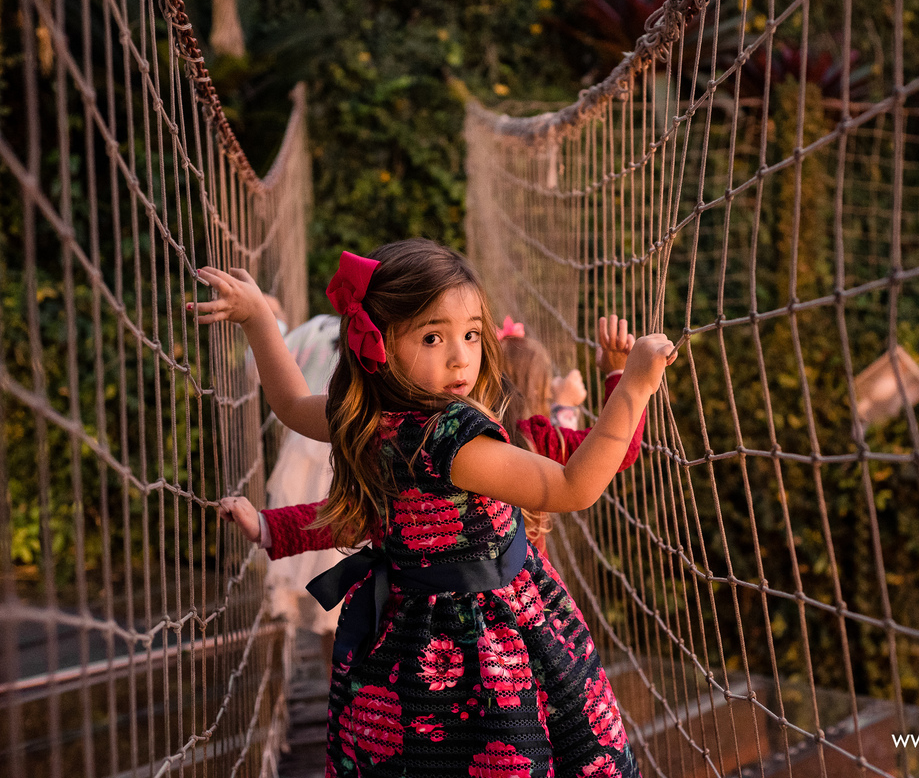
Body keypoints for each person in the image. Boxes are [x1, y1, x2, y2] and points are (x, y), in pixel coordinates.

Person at [191, 239, 674, 777]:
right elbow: (572, 487)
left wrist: (259, 317)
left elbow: (286, 404)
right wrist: (634, 385)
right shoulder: (455, 441)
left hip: (403, 631)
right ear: (379, 346)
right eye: (432, 336)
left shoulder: (365, 417)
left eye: (471, 334)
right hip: (490, 636)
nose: (461, 356)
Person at [497, 316, 639, 553]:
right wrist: (623, 374)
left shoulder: (476, 430)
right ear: (535, 390)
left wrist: (562, 405)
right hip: (527, 580)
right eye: (547, 386)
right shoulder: (534, 441)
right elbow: (616, 449)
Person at [262, 314, 344, 669]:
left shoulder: (319, 327)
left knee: (336, 614)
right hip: (356, 467)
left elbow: (260, 364)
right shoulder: (400, 337)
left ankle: (340, 703)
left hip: (310, 470)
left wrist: (271, 321)